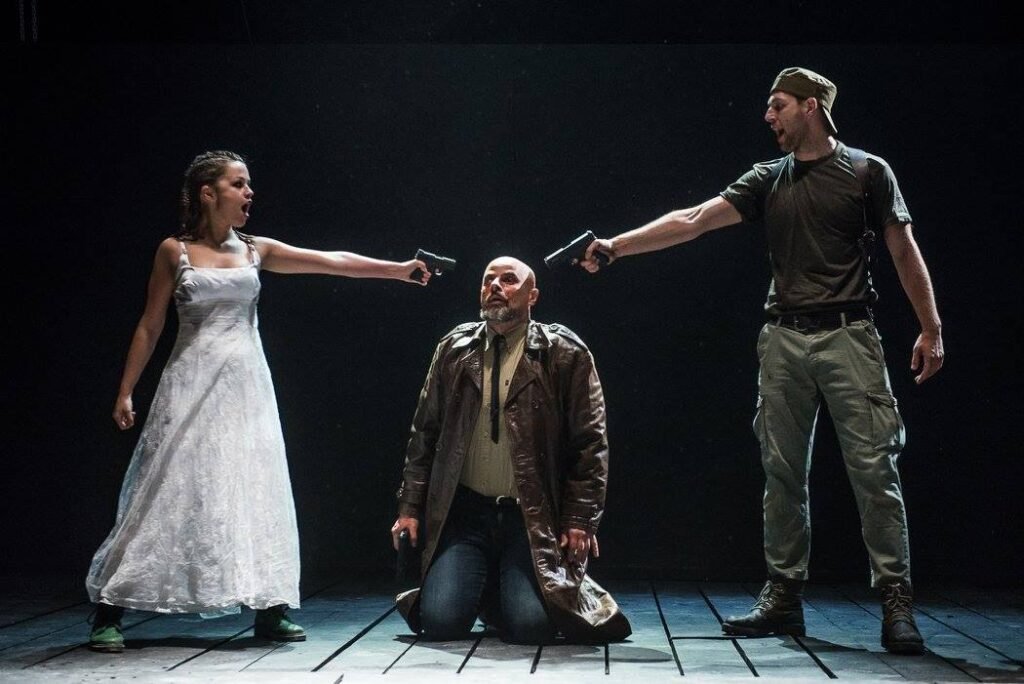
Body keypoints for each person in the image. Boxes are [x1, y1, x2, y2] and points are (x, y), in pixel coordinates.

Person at [579, 68, 943, 655]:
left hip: (849, 334)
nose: (769, 117)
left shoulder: (867, 171)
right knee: (782, 473)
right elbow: (695, 220)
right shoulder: (767, 179)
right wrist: (617, 247)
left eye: (779, 106)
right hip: (783, 339)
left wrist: (931, 327)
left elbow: (903, 248)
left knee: (875, 470)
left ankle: (896, 599)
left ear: (811, 106)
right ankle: (784, 596)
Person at [86, 150, 433, 653]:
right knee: (166, 488)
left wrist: (397, 270)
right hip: (190, 382)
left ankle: (270, 608)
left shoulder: (255, 250)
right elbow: (150, 324)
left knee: (256, 486)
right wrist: (125, 389)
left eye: (248, 184)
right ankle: (111, 606)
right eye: (239, 184)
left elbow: (330, 261)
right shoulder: (174, 251)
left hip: (246, 387)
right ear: (209, 193)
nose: (249, 193)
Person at [389, 256, 632, 644]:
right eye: (488, 280)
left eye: (508, 280)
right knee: (440, 623)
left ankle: (531, 586)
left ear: (532, 295)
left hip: (530, 519)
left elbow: (590, 442)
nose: (495, 286)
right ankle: (491, 585)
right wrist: (409, 508)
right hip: (466, 515)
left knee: (531, 626)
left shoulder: (564, 352)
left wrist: (580, 518)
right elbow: (424, 433)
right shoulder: (454, 349)